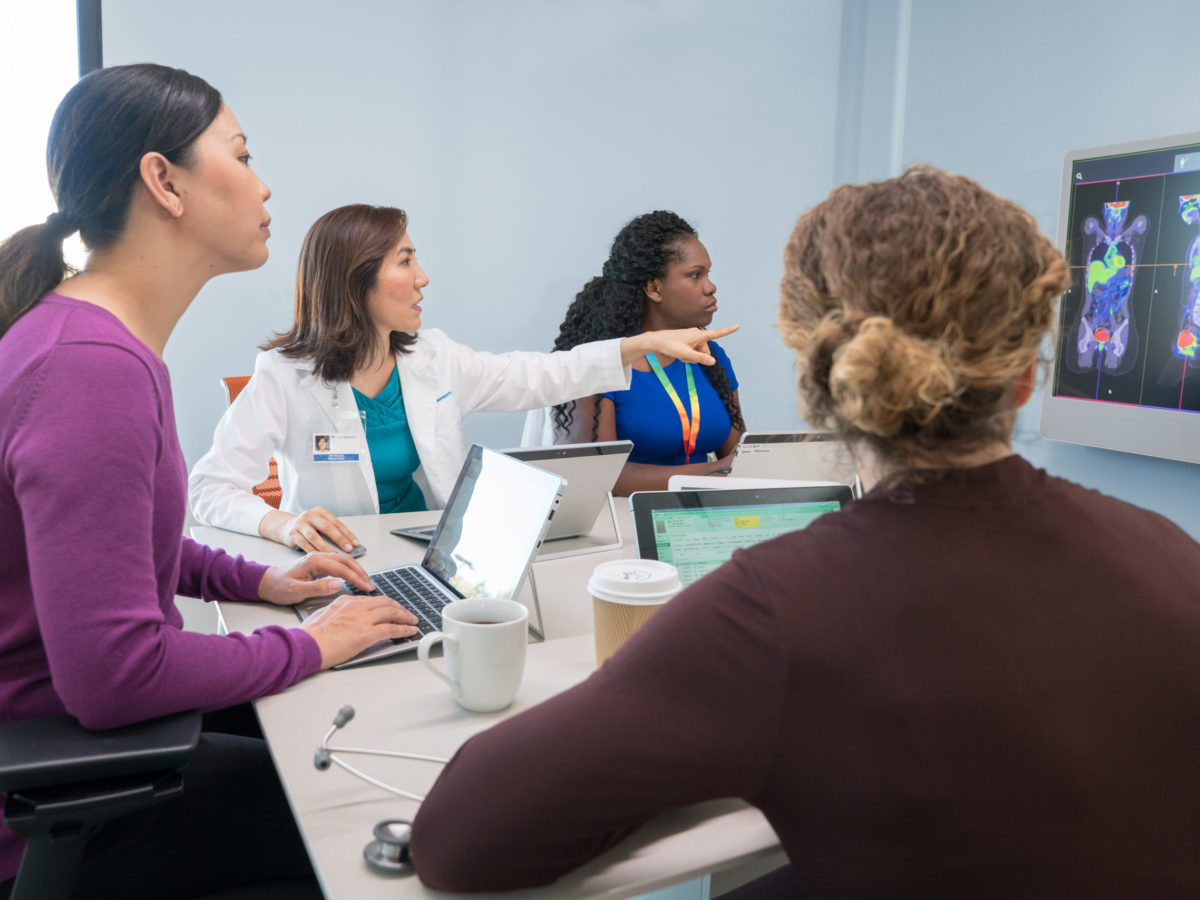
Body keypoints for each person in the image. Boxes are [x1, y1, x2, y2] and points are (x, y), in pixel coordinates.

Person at [410, 167, 1200, 896]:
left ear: (816, 373)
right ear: (1028, 371)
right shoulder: (1172, 557)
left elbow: (456, 840)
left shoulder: (769, 613)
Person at [0, 64, 419, 898]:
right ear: (164, 181)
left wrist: (260, 579)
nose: (265, 186)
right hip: (65, 792)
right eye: (241, 155)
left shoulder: (96, 342)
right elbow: (114, 676)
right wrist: (311, 643)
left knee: (325, 726)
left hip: (75, 746)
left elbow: (119, 547)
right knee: (359, 816)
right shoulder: (90, 370)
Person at [188, 203, 734, 554]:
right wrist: (281, 525)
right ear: (356, 282)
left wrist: (639, 344)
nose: (422, 277)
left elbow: (539, 375)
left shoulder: (434, 357)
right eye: (405, 262)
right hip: (341, 566)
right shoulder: (286, 376)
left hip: (437, 557)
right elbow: (209, 488)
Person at [548, 210, 745, 495]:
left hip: (705, 513)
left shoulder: (710, 354)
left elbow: (739, 456)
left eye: (708, 274)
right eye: (694, 275)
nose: (710, 287)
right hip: (629, 518)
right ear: (654, 288)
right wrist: (711, 473)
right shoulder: (602, 362)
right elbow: (600, 475)